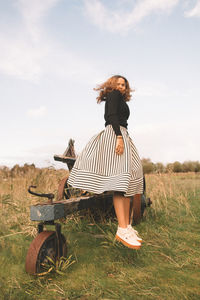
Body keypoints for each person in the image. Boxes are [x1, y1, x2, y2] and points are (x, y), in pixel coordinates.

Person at [68, 75, 143, 249]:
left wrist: (124, 136)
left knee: (125, 185)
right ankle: (122, 228)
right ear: (111, 85)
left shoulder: (120, 99)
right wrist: (118, 137)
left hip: (122, 134)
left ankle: (126, 227)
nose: (121, 87)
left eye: (124, 85)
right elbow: (111, 116)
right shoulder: (114, 95)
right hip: (115, 135)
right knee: (119, 183)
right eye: (118, 84)